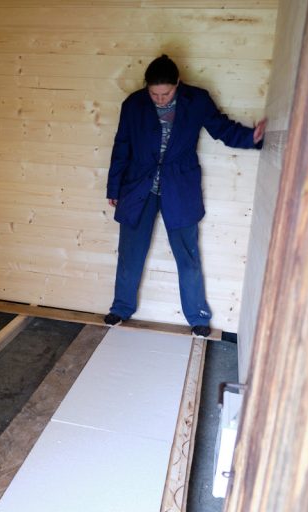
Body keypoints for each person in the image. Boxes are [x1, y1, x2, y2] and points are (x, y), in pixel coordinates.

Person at [104, 54, 266, 337]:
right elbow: (122, 146)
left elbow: (222, 129)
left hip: (179, 187)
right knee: (130, 253)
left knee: (188, 256)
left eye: (166, 93)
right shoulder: (133, 104)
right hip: (138, 188)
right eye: (154, 93)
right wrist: (114, 188)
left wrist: (252, 138)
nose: (160, 99)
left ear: (178, 84)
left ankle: (198, 316)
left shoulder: (197, 100)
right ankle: (120, 308)